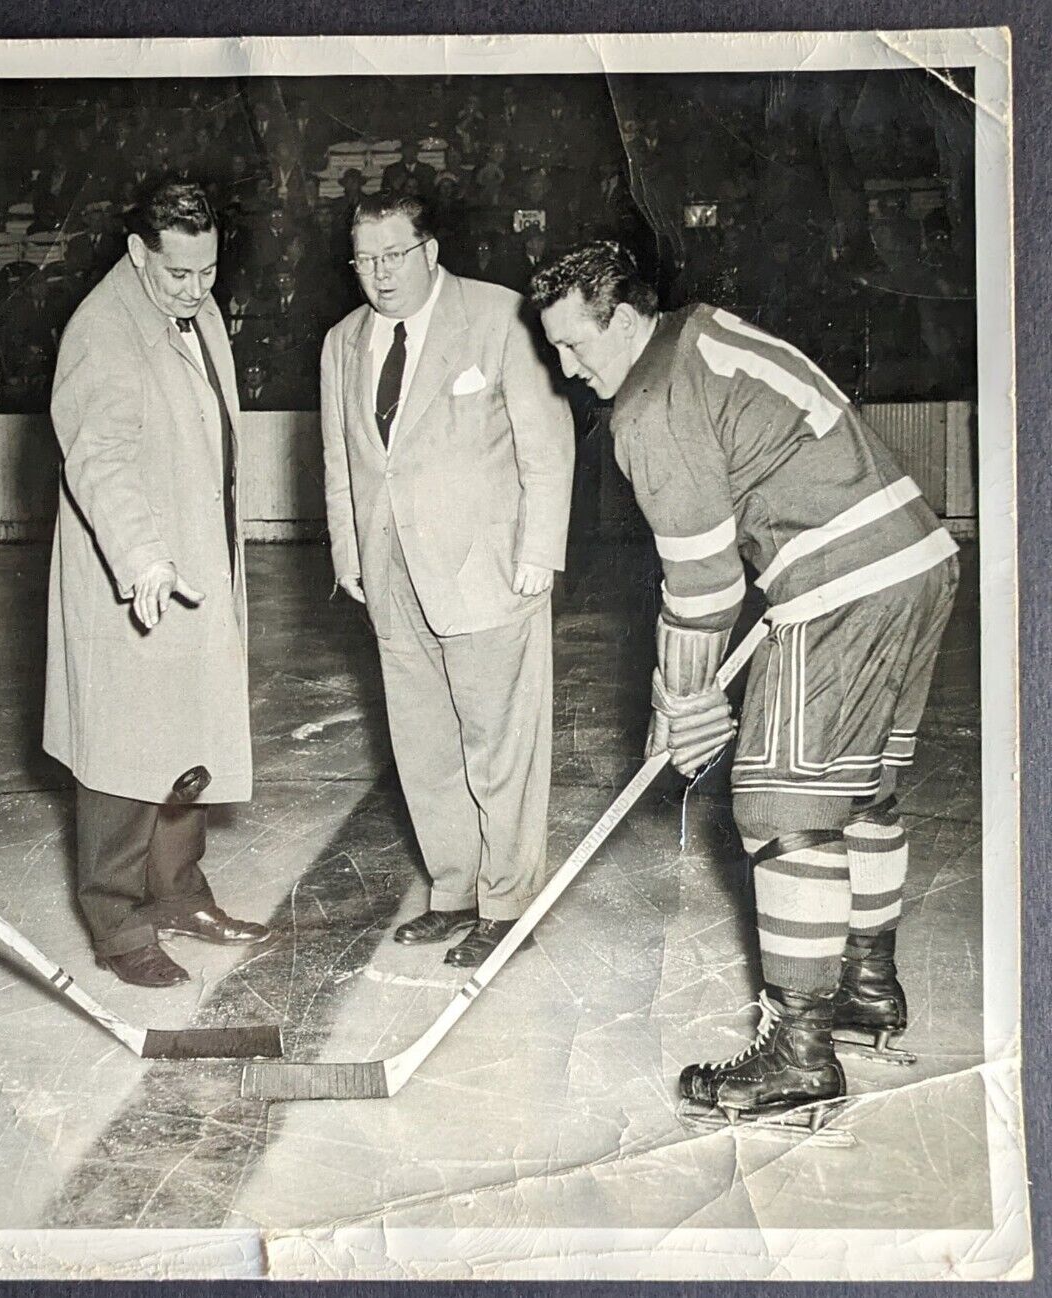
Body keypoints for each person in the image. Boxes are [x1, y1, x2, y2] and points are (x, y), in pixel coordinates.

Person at [529, 240, 959, 1129]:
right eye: (556, 349)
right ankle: (864, 988)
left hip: (843, 584)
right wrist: (685, 702)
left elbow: (705, 586)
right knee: (861, 793)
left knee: (781, 810)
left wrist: (680, 704)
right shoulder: (699, 333)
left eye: (578, 345)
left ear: (627, 315)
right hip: (916, 556)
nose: (569, 370)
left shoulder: (652, 403)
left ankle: (800, 1056)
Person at [319, 192, 575, 967]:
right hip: (392, 574)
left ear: (430, 251)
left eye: (394, 255)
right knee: (424, 747)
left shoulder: (499, 317)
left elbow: (546, 444)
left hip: (489, 569)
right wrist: (348, 553)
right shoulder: (341, 342)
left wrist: (541, 549)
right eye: (364, 260)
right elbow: (342, 462)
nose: (379, 274)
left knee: (501, 745)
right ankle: (455, 891)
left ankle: (508, 905)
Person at [44, 178, 268, 989]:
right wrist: (142, 557)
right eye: (179, 273)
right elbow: (97, 457)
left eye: (208, 271)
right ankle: (117, 923)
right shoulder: (104, 331)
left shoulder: (195, 309)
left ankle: (180, 892)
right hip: (135, 576)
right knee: (122, 758)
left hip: (198, 565)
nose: (198, 288)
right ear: (138, 252)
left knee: (190, 745)